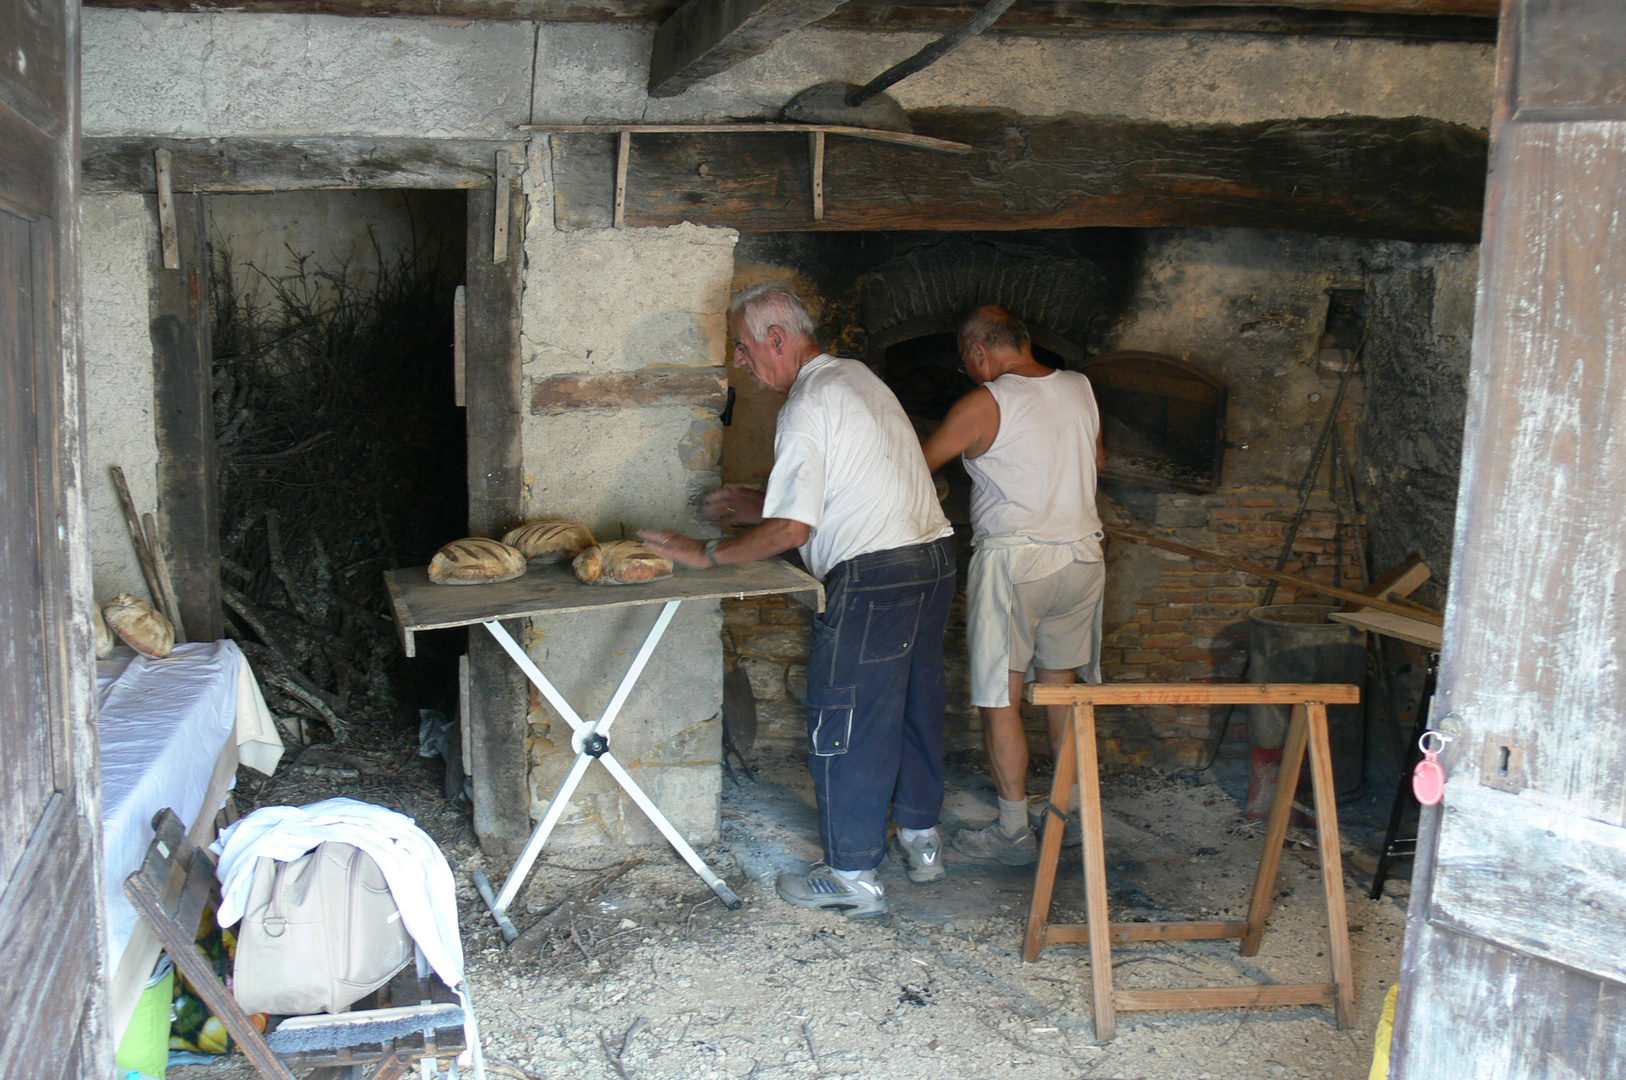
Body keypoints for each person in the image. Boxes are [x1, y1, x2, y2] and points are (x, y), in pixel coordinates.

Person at [639, 284, 956, 917]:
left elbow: (794, 532)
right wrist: (756, 507)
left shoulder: (806, 403)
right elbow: (839, 496)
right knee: (915, 705)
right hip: (932, 559)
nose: (740, 362)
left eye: (743, 346)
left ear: (777, 339)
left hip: (876, 574)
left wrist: (706, 554)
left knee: (846, 718)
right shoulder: (856, 378)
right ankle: (922, 841)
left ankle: (851, 876)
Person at [920, 306, 1106, 865]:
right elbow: (1096, 459)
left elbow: (914, 467)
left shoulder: (985, 401)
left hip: (1017, 563)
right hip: (1082, 558)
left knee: (1001, 696)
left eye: (967, 360)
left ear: (979, 352)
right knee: (1062, 689)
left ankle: (1012, 832)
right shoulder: (1079, 386)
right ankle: (1067, 818)